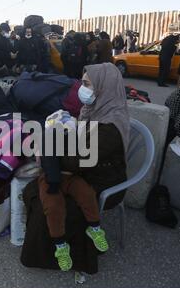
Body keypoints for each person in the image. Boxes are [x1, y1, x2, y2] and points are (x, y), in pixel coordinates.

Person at [38, 62, 129, 272]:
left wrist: (47, 152)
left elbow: (80, 160)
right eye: (83, 82)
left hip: (103, 181)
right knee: (44, 193)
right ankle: (57, 245)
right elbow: (79, 140)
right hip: (87, 170)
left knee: (53, 194)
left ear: (103, 86)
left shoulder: (110, 126)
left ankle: (76, 252)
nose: (82, 88)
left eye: (87, 84)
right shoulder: (96, 108)